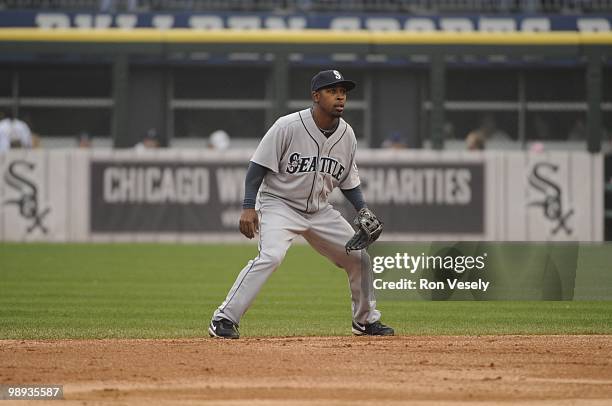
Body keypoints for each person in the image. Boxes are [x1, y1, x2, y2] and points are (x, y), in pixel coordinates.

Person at [209, 69, 394, 339]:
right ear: (316, 96)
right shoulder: (287, 126)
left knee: (360, 259)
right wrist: (249, 206)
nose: (340, 97)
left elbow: (349, 180)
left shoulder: (347, 135)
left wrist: (363, 209)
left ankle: (365, 321)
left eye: (343, 92)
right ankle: (224, 318)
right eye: (332, 91)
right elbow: (256, 169)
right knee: (271, 256)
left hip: (319, 210)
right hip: (279, 205)